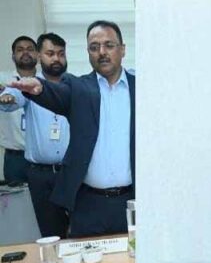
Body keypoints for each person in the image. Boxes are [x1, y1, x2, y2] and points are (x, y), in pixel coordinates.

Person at [9, 20, 135, 238]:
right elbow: (57, 94)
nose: (102, 52)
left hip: (132, 202)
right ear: (88, 52)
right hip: (88, 205)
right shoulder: (78, 87)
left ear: (122, 49)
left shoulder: (141, 87)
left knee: (134, 259)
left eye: (109, 45)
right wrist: (40, 89)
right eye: (94, 47)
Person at [0, 33, 71, 238]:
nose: (56, 58)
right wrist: (6, 98)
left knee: (79, 229)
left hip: (70, 171)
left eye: (61, 54)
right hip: (40, 174)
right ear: (40, 57)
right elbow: (14, 97)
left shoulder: (74, 85)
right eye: (50, 53)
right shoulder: (30, 87)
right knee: (50, 232)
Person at [0, 36, 38, 182]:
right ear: (13, 56)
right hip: (15, 159)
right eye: (20, 50)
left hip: (42, 159)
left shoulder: (47, 81)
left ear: (38, 55)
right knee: (16, 197)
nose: (25, 53)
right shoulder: (3, 79)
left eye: (30, 49)